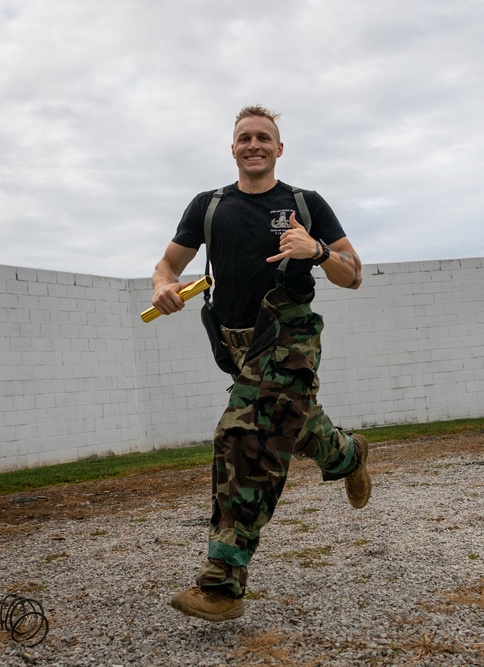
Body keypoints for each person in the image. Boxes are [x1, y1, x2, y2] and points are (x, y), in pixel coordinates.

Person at [150, 105, 371, 622]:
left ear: (279, 148)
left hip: (290, 334)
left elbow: (354, 274)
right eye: (245, 138)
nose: (254, 145)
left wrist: (315, 249)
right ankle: (345, 455)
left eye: (264, 138)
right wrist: (163, 286)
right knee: (291, 425)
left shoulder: (305, 203)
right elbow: (168, 265)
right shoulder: (209, 206)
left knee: (243, 436)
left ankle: (222, 581)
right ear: (233, 149)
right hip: (237, 345)